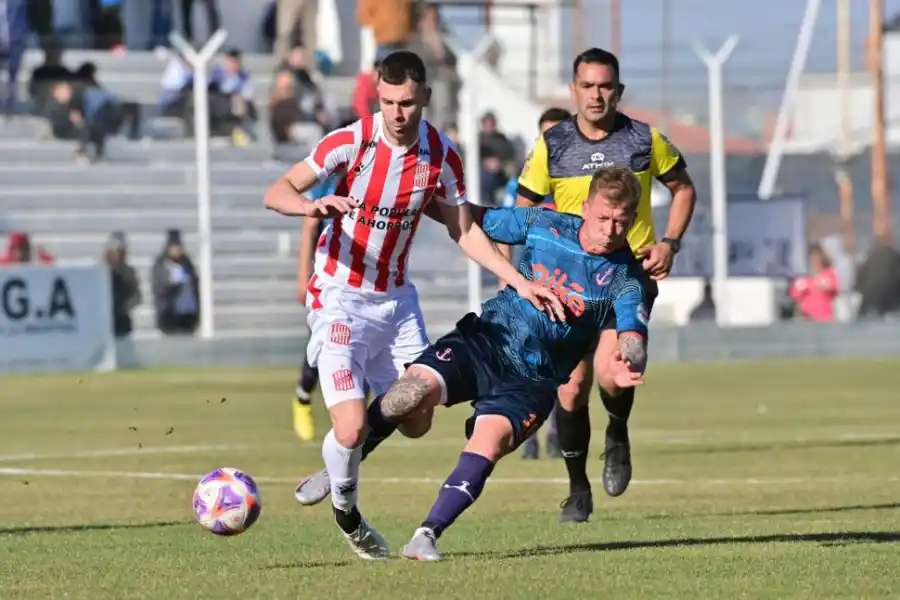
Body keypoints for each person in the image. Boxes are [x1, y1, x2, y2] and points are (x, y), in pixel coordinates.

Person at [263, 50, 561, 560]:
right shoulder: (351, 141)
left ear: (424, 96)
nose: (396, 113)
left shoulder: (442, 155)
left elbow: (461, 229)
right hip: (339, 296)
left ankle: (340, 460)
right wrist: (311, 205)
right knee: (353, 427)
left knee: (418, 421)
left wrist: (519, 281)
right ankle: (348, 510)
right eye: (386, 101)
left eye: (405, 102)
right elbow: (278, 190)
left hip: (397, 304)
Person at [389, 167, 648, 560]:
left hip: (535, 380)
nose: (612, 230)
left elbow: (631, 329)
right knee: (406, 398)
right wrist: (419, 200)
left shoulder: (627, 276)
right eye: (603, 218)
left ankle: (426, 534)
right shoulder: (546, 224)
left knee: (489, 444)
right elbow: (477, 218)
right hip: (490, 342)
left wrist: (632, 354)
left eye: (621, 222)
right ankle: (347, 460)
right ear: (585, 207)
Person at [510, 47, 696, 521]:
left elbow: (683, 188)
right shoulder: (553, 144)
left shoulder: (643, 138)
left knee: (615, 374)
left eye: (605, 86)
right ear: (574, 90)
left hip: (626, 280)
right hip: (568, 285)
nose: (596, 95)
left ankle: (617, 430)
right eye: (587, 86)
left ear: (619, 91)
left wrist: (670, 242)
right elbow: (523, 211)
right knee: (570, 389)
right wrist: (528, 280)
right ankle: (577, 490)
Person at [514, 106, 571, 460]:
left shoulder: (579, 182)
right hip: (535, 282)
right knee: (532, 362)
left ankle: (556, 432)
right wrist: (512, 278)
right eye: (545, 135)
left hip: (574, 286)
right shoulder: (526, 181)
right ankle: (530, 434)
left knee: (569, 370)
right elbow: (512, 227)